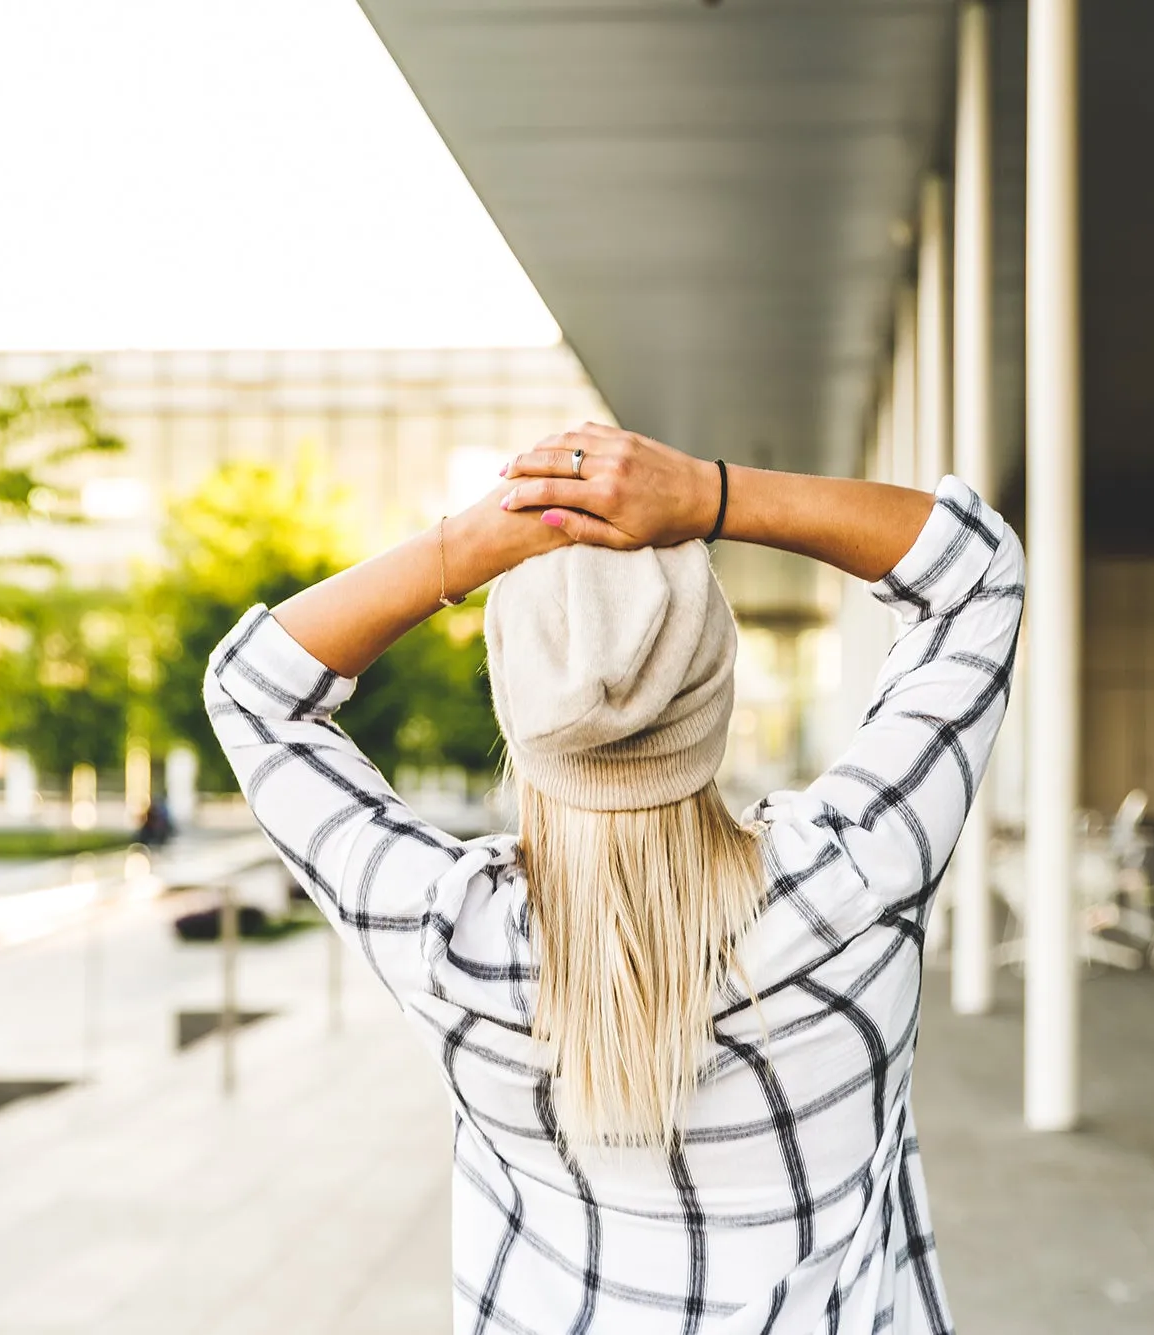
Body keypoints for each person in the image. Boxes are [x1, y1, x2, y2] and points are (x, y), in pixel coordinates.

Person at [205, 423, 1023, 1334]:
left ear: (514, 709)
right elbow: (975, 571)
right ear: (715, 690)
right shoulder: (854, 877)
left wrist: (475, 541)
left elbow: (255, 691)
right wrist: (712, 496)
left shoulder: (453, 940)